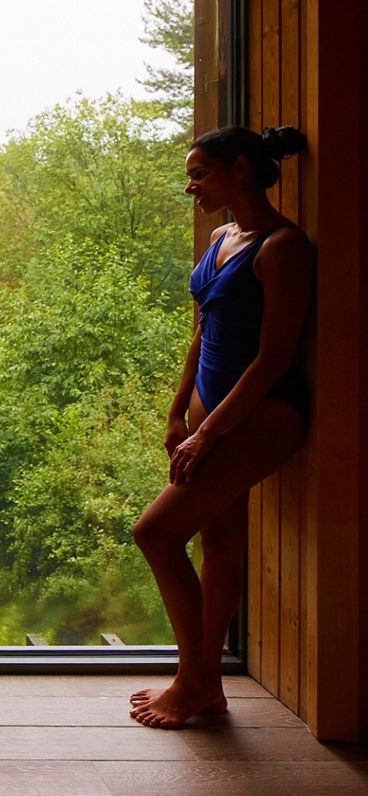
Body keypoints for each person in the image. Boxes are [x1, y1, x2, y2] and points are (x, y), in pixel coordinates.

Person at [129, 125, 312, 729]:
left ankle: (197, 678)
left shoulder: (283, 247)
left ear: (240, 169)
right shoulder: (221, 236)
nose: (190, 186)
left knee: (155, 533)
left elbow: (274, 359)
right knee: (223, 542)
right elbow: (204, 330)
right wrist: (179, 411)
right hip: (209, 415)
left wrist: (209, 434)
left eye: (200, 173)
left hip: (263, 417)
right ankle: (204, 683)